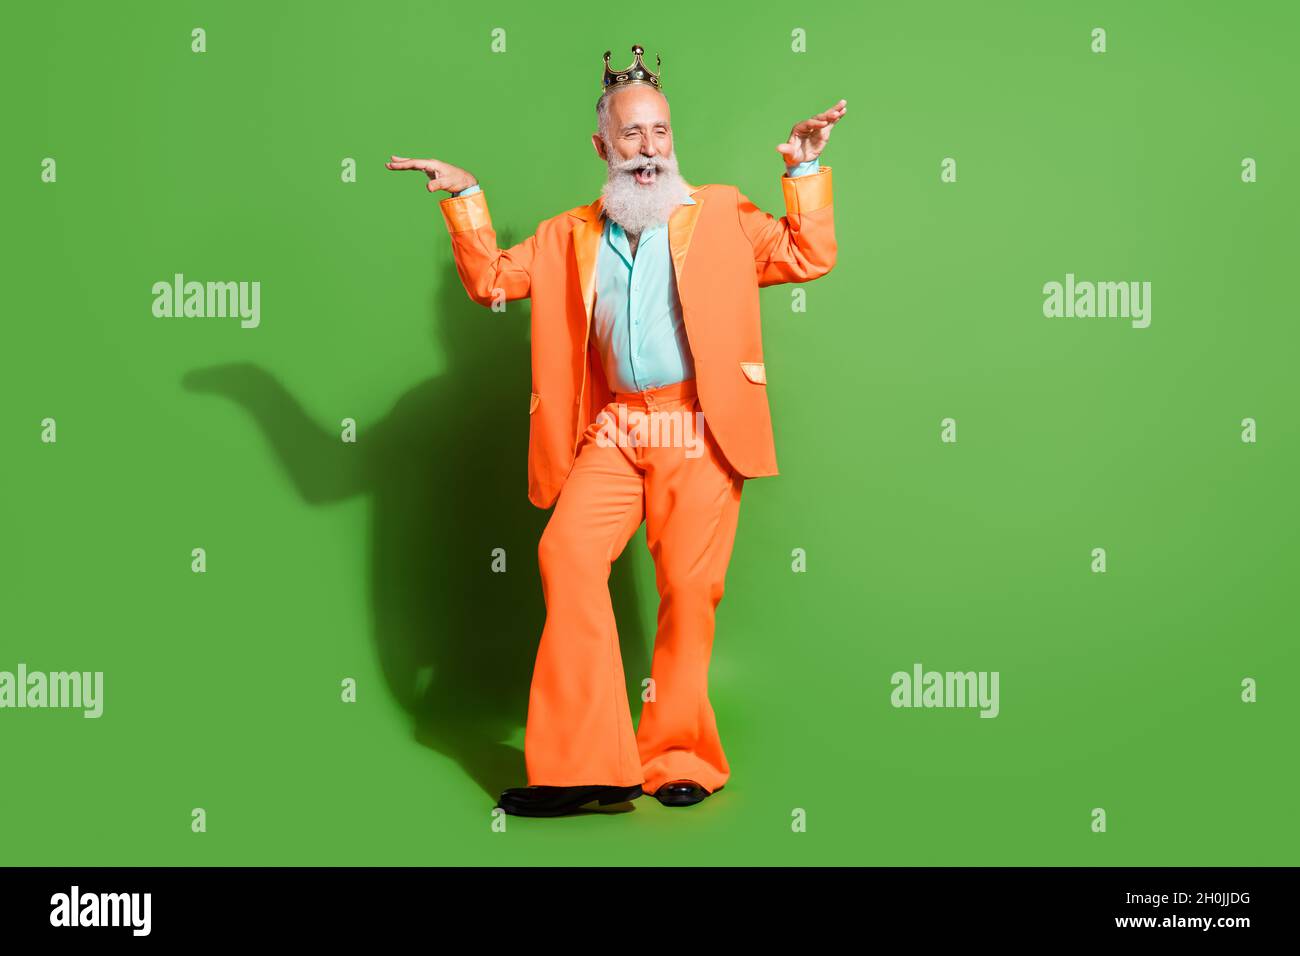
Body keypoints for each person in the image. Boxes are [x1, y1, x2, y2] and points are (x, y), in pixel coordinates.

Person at [388, 45, 845, 817]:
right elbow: (493, 280)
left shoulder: (725, 214)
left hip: (697, 426)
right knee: (565, 554)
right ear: (602, 145)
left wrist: (801, 173)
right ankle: (583, 769)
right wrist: (464, 194)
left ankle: (679, 757)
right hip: (615, 430)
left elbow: (808, 254)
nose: (649, 149)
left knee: (689, 592)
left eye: (661, 133)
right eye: (632, 135)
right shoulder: (568, 233)